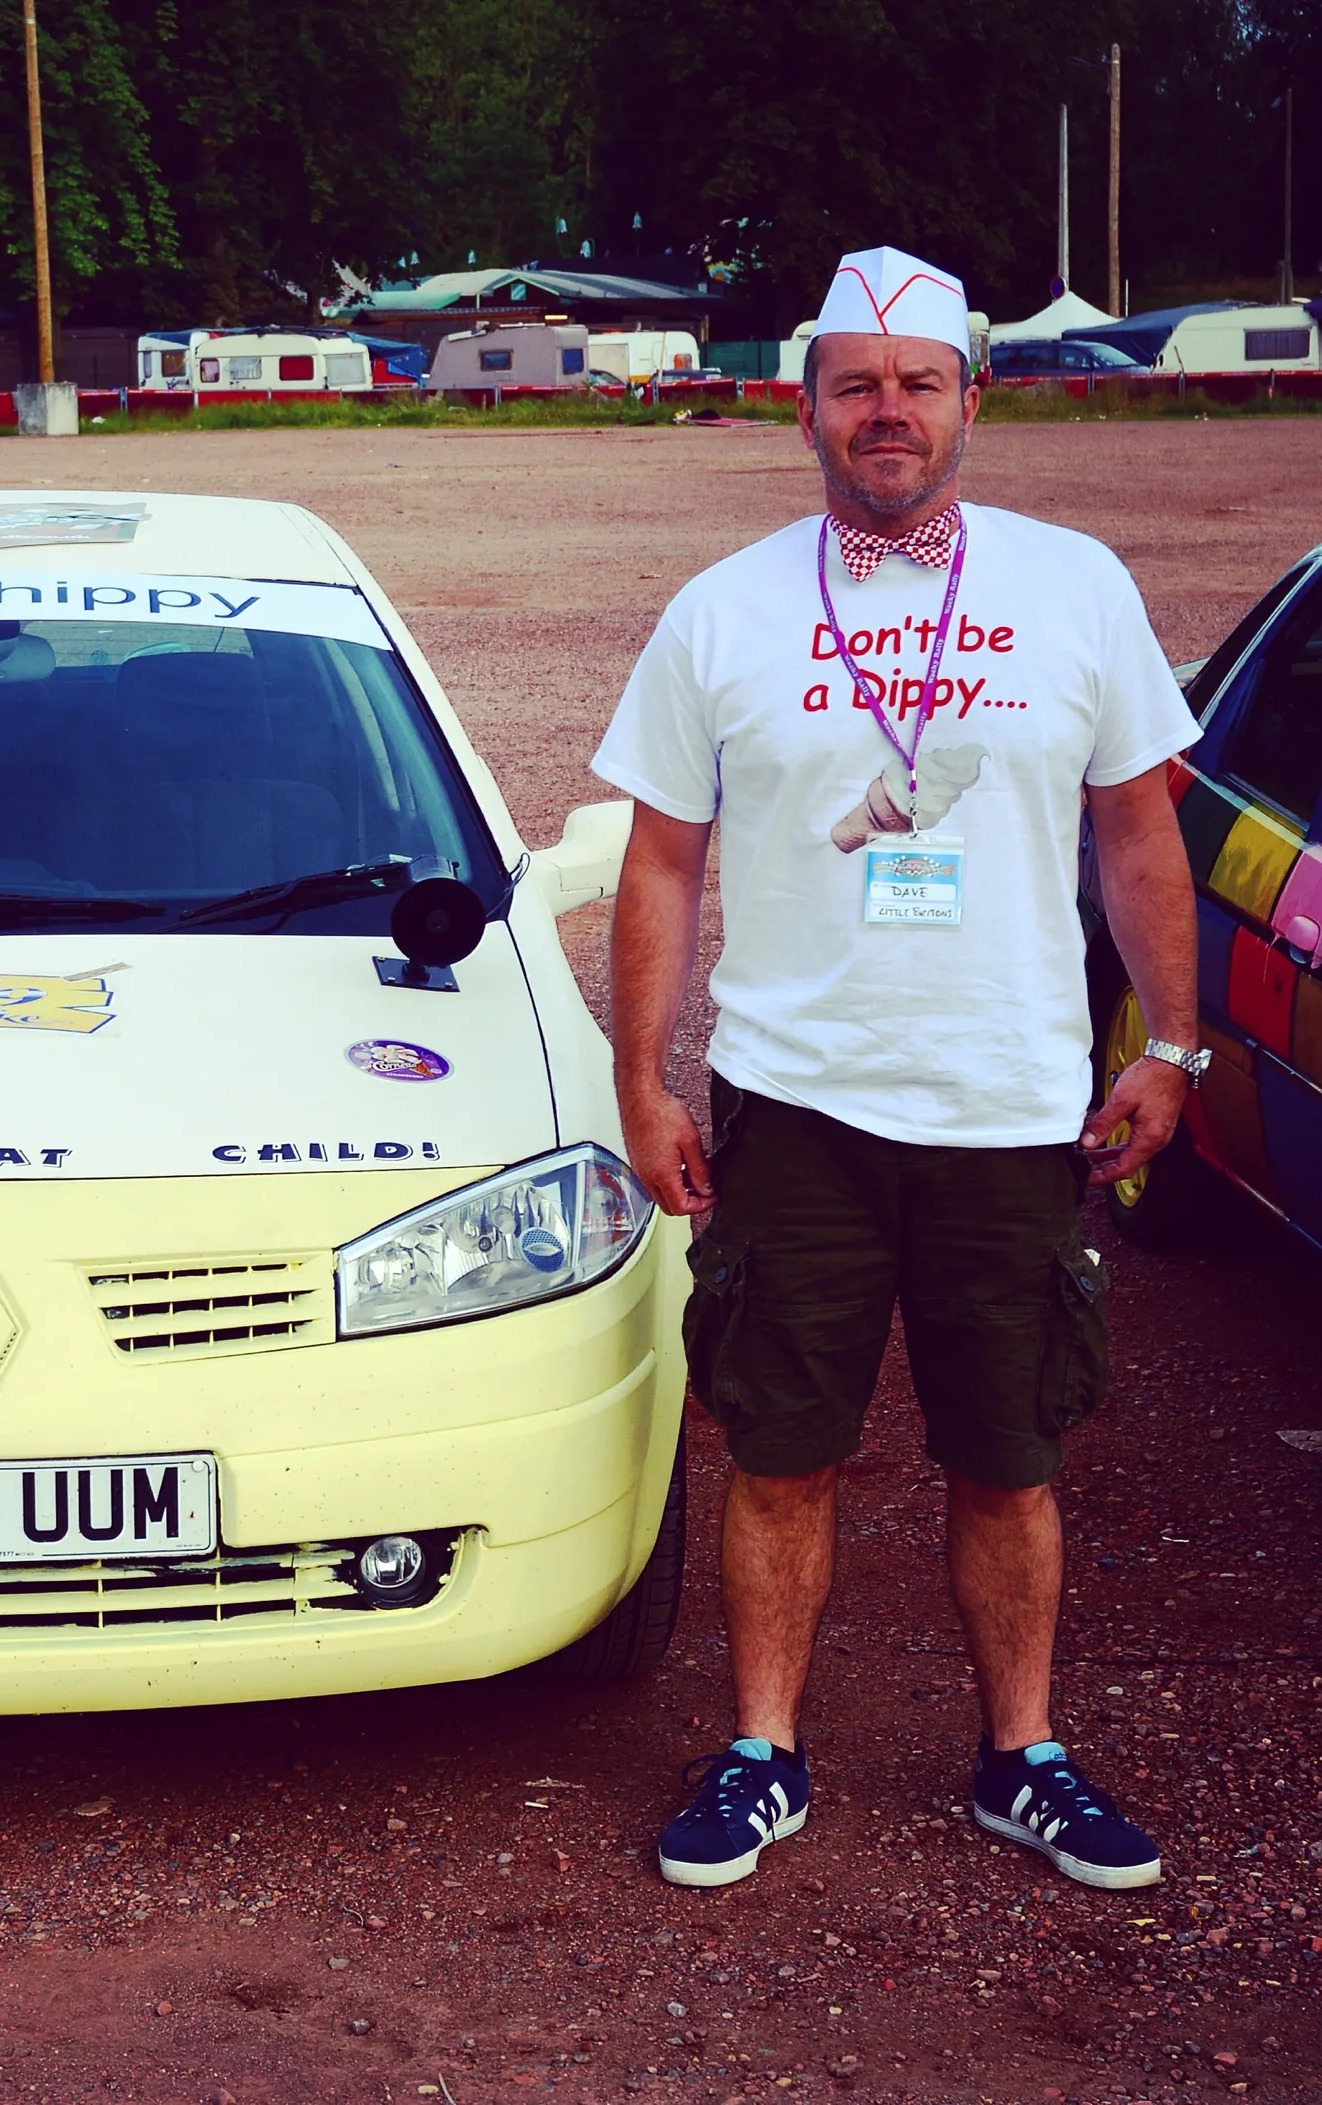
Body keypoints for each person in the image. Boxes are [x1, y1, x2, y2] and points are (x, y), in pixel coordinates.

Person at [593, 246, 1199, 1893]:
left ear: (969, 399)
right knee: (780, 1447)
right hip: (798, 1105)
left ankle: (1023, 1758)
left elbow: (1140, 834)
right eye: (854, 385)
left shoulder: (1076, 587)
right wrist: (644, 1079)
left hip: (1013, 1102)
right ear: (803, 409)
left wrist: (1174, 1045)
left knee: (1011, 1454)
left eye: (918, 382)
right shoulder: (723, 609)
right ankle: (762, 1753)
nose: (887, 411)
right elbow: (662, 863)